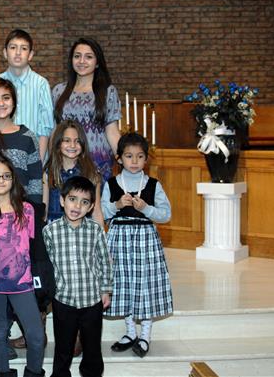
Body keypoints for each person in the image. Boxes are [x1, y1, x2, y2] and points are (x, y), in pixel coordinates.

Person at [102, 132, 173, 358]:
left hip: (145, 238)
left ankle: (145, 335)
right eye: (129, 156)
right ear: (119, 158)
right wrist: (116, 205)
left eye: (140, 156)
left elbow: (166, 214)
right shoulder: (112, 184)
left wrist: (146, 209)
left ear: (146, 159)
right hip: (119, 238)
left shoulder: (153, 185)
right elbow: (102, 213)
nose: (134, 161)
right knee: (122, 282)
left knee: (145, 284)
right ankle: (131, 332)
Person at [0, 152, 46, 377]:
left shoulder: (27, 210)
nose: (0, 180)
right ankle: (4, 373)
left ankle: (33, 372)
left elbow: (35, 249)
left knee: (36, 336)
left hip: (23, 284)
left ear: (13, 179)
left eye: (6, 176)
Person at [42, 176, 113, 377]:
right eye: (72, 199)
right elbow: (47, 266)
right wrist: (48, 294)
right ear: (62, 200)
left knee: (92, 347)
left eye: (84, 202)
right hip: (63, 300)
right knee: (63, 346)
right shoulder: (50, 231)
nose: (77, 206)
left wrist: (106, 290)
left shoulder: (95, 230)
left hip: (91, 300)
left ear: (91, 207)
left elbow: (105, 261)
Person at [51, 37, 121, 181]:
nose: (82, 61)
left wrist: (124, 159)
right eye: (77, 56)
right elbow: (54, 129)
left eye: (88, 57)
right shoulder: (59, 91)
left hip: (98, 163)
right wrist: (50, 161)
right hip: (66, 164)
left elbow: (112, 131)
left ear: (97, 63)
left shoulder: (108, 92)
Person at [0, 29, 54, 160]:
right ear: (5, 53)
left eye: (23, 48)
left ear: (30, 55)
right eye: (13, 47)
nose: (18, 52)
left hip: (33, 156)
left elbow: (45, 128)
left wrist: (38, 162)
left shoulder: (41, 84)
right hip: (3, 156)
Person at [44, 119, 104, 225]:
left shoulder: (92, 174)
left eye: (77, 141)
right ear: (58, 143)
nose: (72, 145)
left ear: (83, 144)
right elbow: (44, 210)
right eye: (67, 140)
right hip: (55, 228)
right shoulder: (48, 173)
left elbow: (96, 210)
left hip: (83, 228)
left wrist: (101, 234)